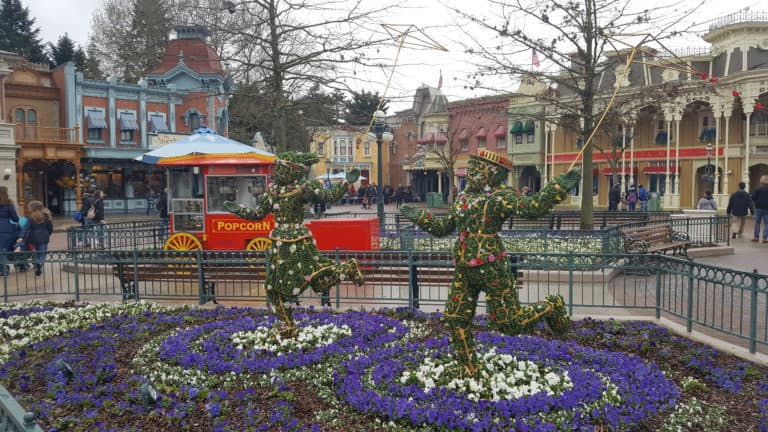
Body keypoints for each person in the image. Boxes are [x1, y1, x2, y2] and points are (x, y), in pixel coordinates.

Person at [400, 149, 580, 377]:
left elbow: (533, 208)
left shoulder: (500, 197)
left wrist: (558, 186)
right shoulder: (462, 199)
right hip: (464, 268)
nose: (471, 174)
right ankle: (469, 368)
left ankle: (551, 305)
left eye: (478, 169)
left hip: (492, 267)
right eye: (471, 169)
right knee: (455, 319)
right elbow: (443, 228)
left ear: (494, 174)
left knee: (509, 323)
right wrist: (420, 217)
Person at [224, 151, 364, 335]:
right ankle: (289, 326)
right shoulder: (273, 191)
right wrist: (239, 210)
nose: (279, 171)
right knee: (273, 288)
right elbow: (258, 214)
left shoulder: (302, 188)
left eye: (283, 168)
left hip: (299, 242)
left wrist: (346, 183)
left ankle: (347, 269)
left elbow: (327, 196)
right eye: (279, 167)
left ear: (294, 170)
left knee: (316, 278)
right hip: (279, 245)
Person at [23, 200, 53, 276]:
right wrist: (47, 234)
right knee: (42, 253)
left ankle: (36, 264)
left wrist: (21, 236)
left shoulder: (30, 218)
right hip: (44, 237)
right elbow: (50, 228)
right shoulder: (46, 216)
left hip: (32, 237)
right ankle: (39, 263)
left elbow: (26, 228)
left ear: (32, 208)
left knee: (35, 253)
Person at [0, 186, 19, 276]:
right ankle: (3, 269)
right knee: (3, 250)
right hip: (5, 230)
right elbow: (15, 218)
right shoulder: (9, 203)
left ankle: (3, 269)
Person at [751, 175, 768, 243]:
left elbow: (753, 197)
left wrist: (756, 201)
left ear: (762, 180)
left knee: (757, 222)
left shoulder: (758, 188)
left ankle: (756, 237)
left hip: (758, 208)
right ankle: (765, 238)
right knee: (767, 223)